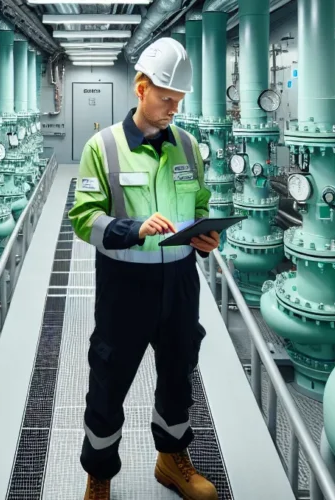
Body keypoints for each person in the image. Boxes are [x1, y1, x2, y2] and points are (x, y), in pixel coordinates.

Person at [67, 37, 220, 500]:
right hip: (125, 287)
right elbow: (83, 218)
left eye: (178, 100)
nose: (173, 108)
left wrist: (207, 237)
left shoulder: (189, 147)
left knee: (178, 372)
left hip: (179, 283)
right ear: (141, 88)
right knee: (109, 380)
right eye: (166, 98)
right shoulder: (103, 147)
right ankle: (100, 474)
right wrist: (132, 229)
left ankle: (171, 459)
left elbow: (201, 204)